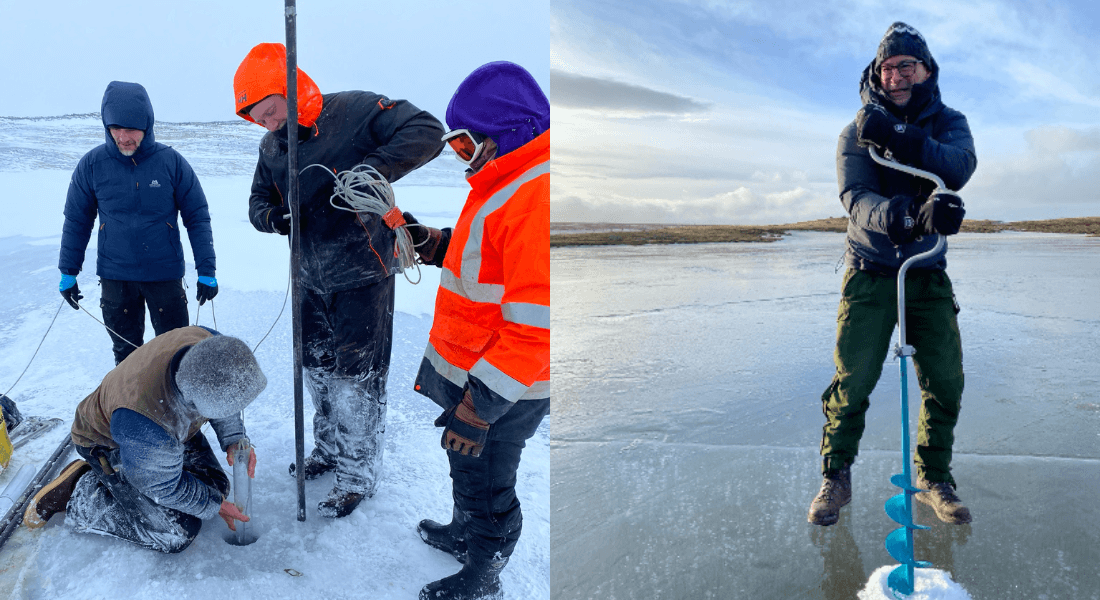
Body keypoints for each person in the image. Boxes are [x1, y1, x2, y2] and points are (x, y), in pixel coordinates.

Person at [232, 43, 445, 518]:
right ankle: (329, 451)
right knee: (318, 373)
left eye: (271, 112)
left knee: (357, 381)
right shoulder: (272, 148)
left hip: (363, 273)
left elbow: (428, 131)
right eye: (259, 120)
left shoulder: (352, 110)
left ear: (291, 91)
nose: (268, 125)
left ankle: (357, 474)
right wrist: (272, 217)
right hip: (308, 278)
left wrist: (373, 170)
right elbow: (255, 202)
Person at [808, 22, 975, 527]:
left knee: (945, 379)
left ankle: (934, 478)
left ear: (926, 71)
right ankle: (835, 476)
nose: (897, 75)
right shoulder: (855, 130)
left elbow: (958, 166)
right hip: (870, 269)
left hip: (926, 271)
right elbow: (856, 200)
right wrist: (907, 216)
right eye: (888, 67)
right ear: (876, 75)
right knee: (854, 379)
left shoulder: (949, 121)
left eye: (907, 65)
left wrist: (902, 136)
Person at [408, 61, 550, 600]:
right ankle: (466, 533)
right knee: (465, 462)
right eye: (456, 147)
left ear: (505, 134)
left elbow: (539, 326)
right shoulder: (505, 181)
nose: (463, 159)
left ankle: (483, 571)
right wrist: (435, 241)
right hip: (478, 368)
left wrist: (479, 406)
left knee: (489, 478)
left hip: (505, 384)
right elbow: (486, 261)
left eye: (467, 145)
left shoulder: (535, 195)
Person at [23, 327, 266, 553]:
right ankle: (83, 490)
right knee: (177, 532)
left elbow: (226, 391)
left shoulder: (211, 347)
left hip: (166, 430)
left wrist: (234, 438)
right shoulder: (148, 425)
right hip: (109, 442)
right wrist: (216, 506)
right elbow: (161, 485)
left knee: (215, 488)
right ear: (192, 400)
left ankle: (121, 481)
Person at [58, 81, 219, 366]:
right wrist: (68, 271)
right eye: (115, 128)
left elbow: (197, 216)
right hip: (115, 276)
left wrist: (206, 269)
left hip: (164, 274)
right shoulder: (92, 165)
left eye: (131, 128)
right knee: (126, 356)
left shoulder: (171, 163)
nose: (123, 136)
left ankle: (177, 411)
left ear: (147, 124)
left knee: (175, 354)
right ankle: (133, 409)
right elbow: (77, 220)